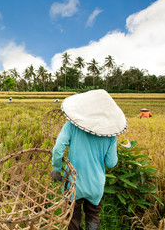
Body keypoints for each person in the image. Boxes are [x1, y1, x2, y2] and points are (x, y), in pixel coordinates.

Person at [51, 89, 127, 230]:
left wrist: (56, 168)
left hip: (74, 182)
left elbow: (58, 148)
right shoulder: (110, 134)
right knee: (93, 216)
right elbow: (111, 163)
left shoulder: (72, 125)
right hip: (96, 184)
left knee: (72, 217)